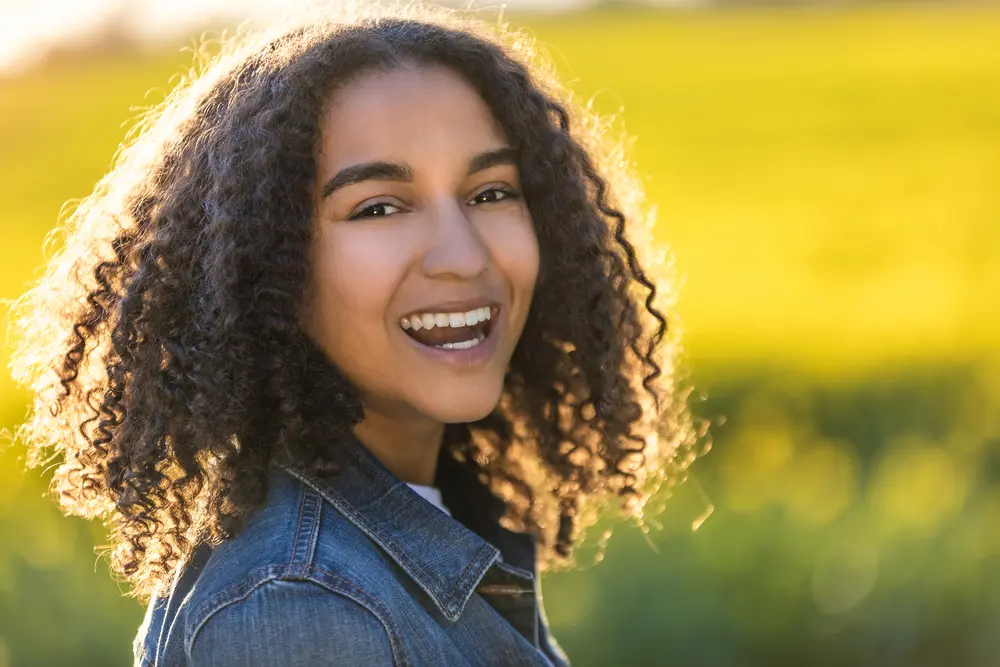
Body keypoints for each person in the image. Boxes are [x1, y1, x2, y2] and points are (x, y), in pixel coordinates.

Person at [8, 3, 697, 665]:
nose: (463, 255)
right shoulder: (305, 606)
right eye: (378, 207)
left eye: (490, 193)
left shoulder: (437, 516)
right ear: (271, 260)